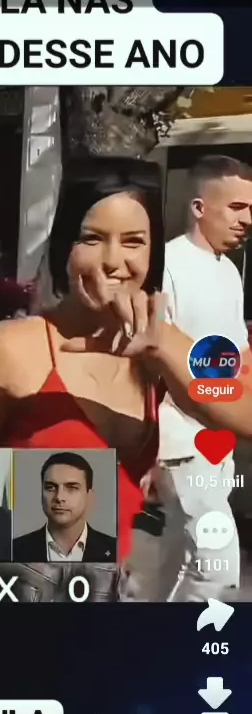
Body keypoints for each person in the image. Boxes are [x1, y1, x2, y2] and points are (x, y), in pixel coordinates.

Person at [0, 158, 252, 601]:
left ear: (153, 254)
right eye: (92, 238)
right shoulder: (13, 347)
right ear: (64, 247)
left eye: (133, 241)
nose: (113, 262)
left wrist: (162, 346)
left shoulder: (157, 347)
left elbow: (243, 415)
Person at [152, 155, 252, 601]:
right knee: (217, 562)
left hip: (218, 443)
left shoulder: (229, 269)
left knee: (176, 561)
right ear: (198, 207)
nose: (247, 219)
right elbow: (149, 360)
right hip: (178, 444)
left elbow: (237, 355)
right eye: (236, 207)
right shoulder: (167, 265)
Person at [12, 451, 117, 563]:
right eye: (50, 488)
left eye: (72, 488)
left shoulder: (115, 550)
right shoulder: (13, 550)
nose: (59, 497)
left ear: (89, 496)